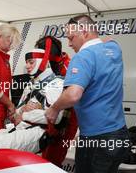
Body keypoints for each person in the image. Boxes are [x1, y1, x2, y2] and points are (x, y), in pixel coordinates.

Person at [45, 14, 130, 173]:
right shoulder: (114, 48)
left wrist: (54, 108)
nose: (69, 44)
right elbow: (109, 39)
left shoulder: (82, 57)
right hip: (120, 134)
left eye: (71, 38)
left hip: (97, 139)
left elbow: (73, 95)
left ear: (84, 32)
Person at [17, 36, 78, 167]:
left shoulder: (69, 68)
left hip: (66, 119)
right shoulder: (40, 73)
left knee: (52, 160)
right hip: (40, 123)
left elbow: (68, 104)